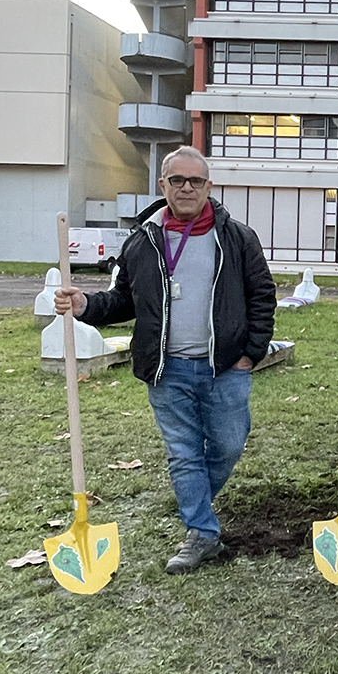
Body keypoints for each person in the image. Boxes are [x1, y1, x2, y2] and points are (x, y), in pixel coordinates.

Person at [55, 146, 276, 575]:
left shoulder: (237, 238)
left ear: (210, 187)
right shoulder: (143, 240)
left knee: (229, 444)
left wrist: (251, 353)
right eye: (177, 180)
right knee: (183, 453)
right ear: (163, 185)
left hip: (225, 367)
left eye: (196, 181)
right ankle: (202, 533)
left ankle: (195, 504)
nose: (187, 187)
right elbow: (123, 300)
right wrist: (84, 303)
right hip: (167, 368)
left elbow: (262, 296)